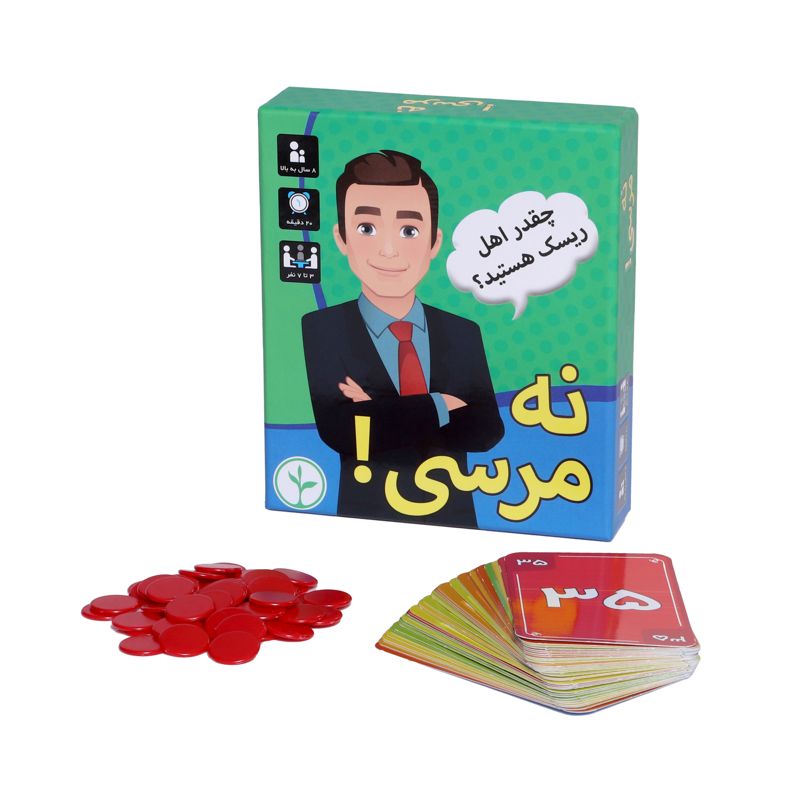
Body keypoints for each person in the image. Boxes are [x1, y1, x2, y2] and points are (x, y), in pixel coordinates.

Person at [302, 150, 503, 526]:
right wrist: (441, 404)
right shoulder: (323, 328)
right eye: (366, 228)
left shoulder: (462, 332)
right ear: (341, 237)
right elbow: (343, 432)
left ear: (434, 242)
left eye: (409, 231)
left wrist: (379, 410)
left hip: (457, 517)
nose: (389, 250)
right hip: (364, 515)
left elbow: (486, 431)